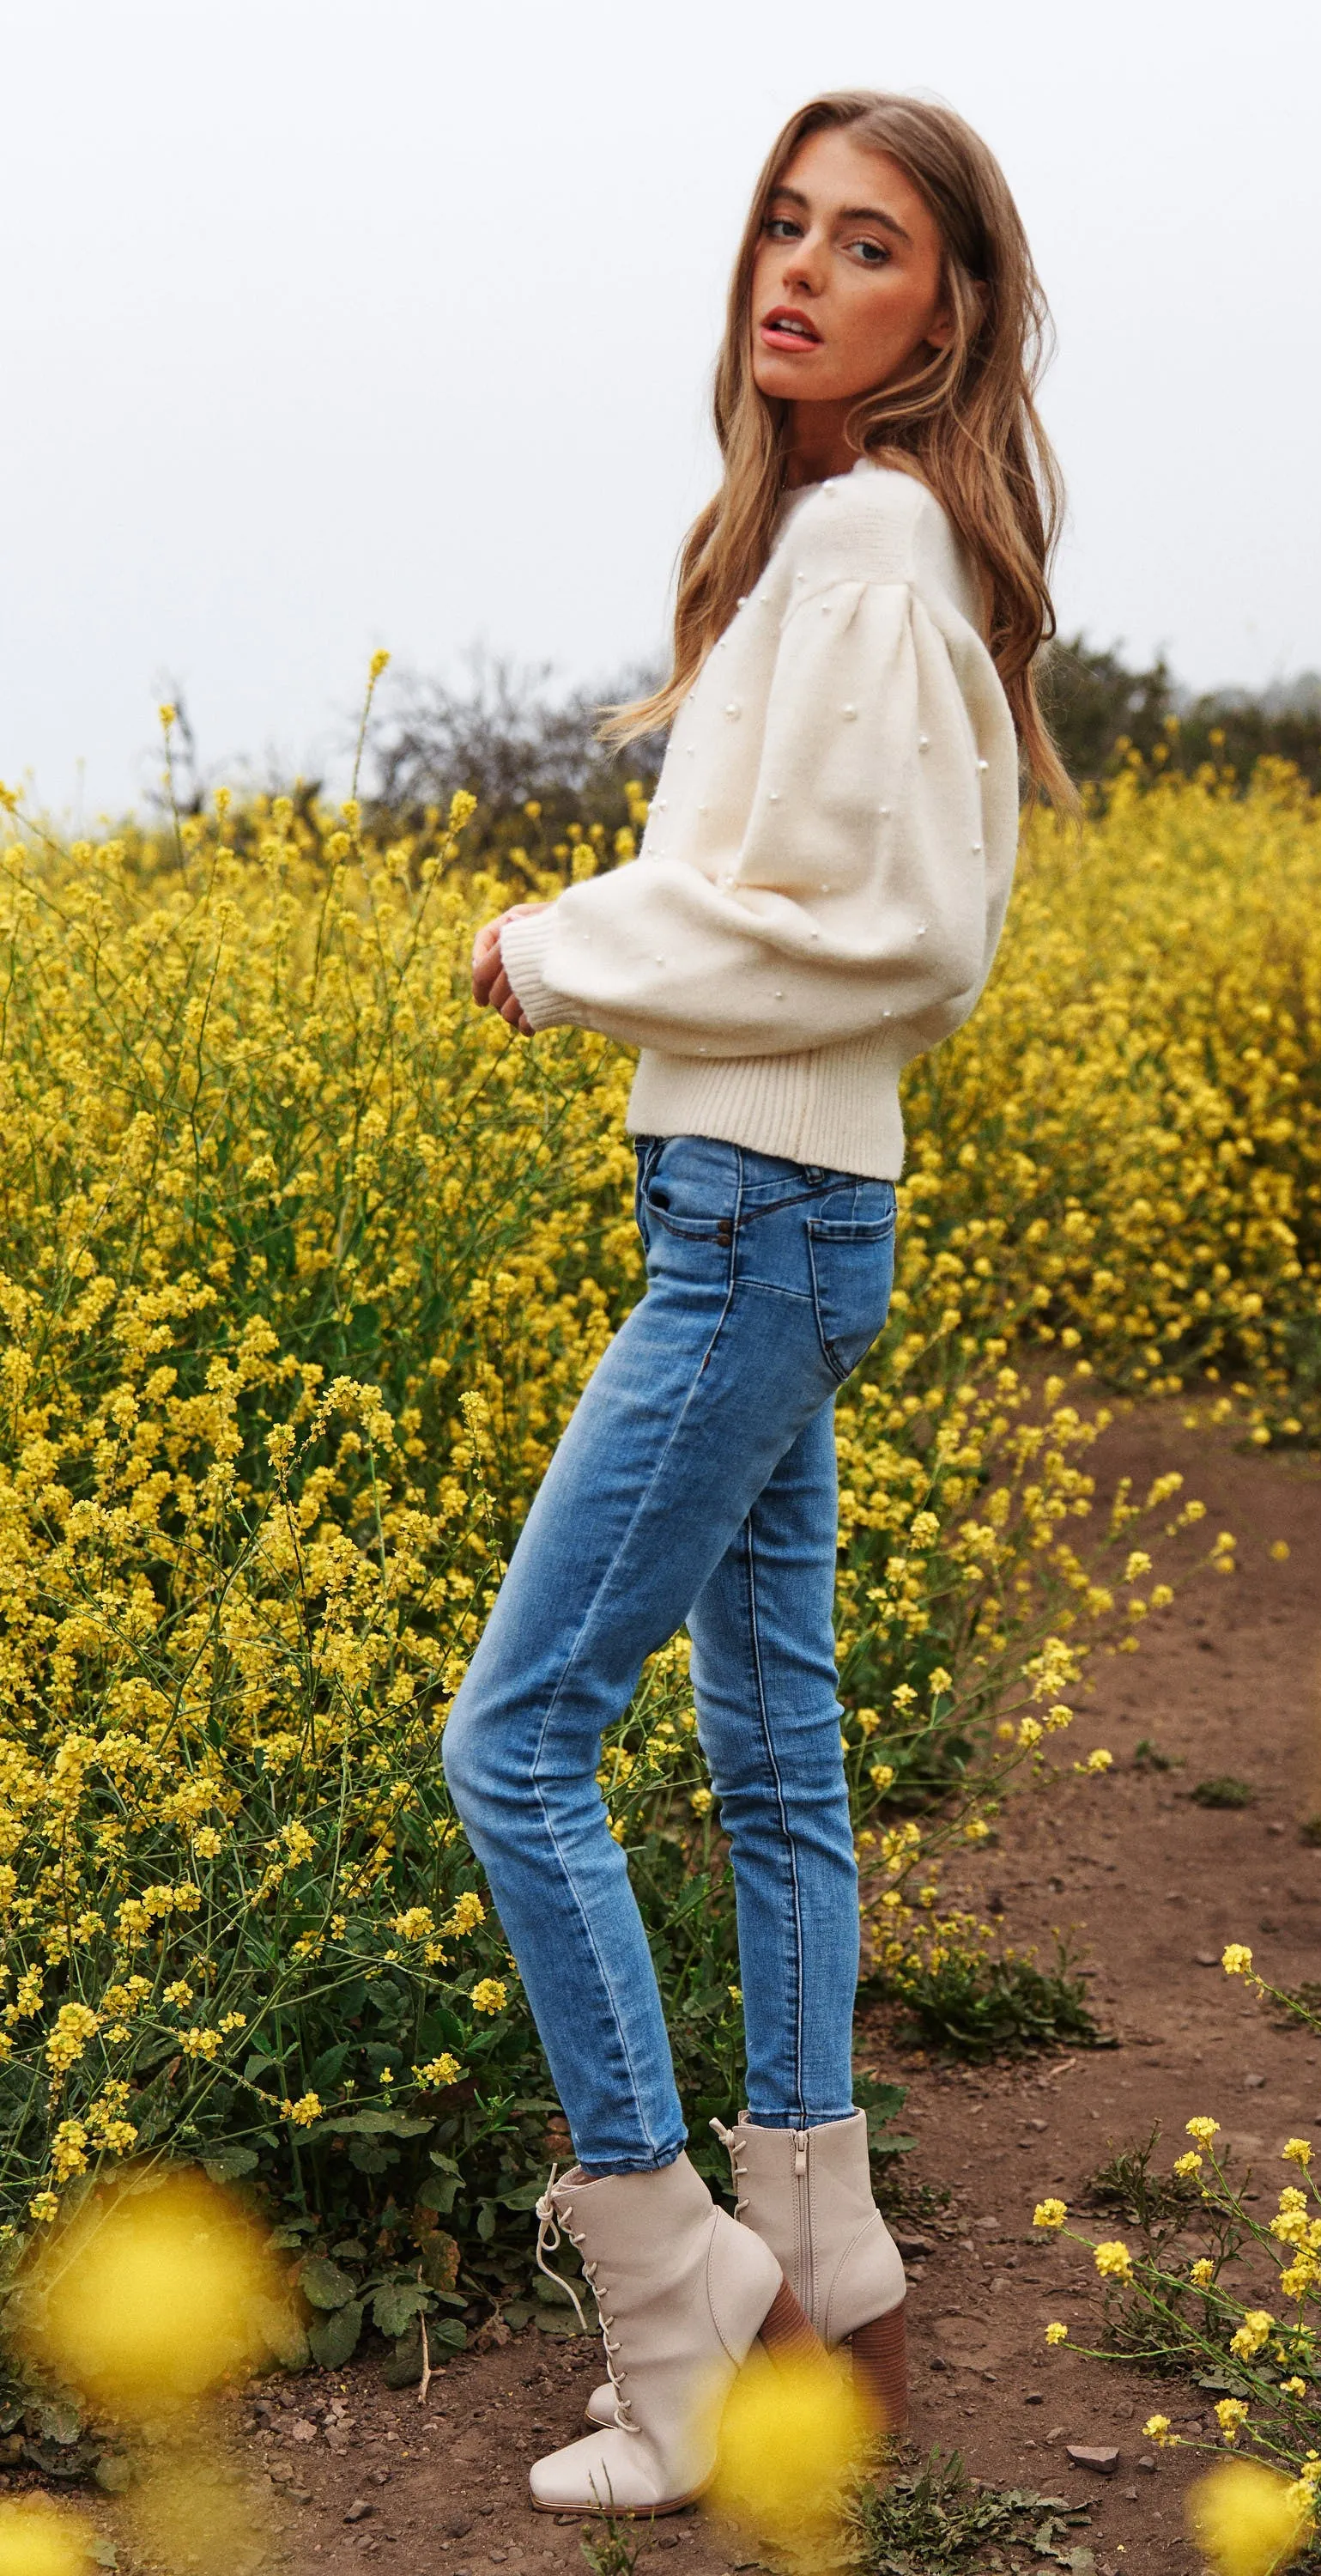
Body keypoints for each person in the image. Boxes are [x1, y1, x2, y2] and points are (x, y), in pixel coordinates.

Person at [442, 87, 1071, 2518]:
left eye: (872, 243)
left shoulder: (878, 537)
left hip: (752, 1225)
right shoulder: (846, 536)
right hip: (787, 1206)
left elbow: (908, 928)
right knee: (777, 1753)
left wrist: (557, 944)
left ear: (957, 307)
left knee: (519, 1745)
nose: (801, 272)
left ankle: (687, 2313)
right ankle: (826, 2252)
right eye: (785, 228)